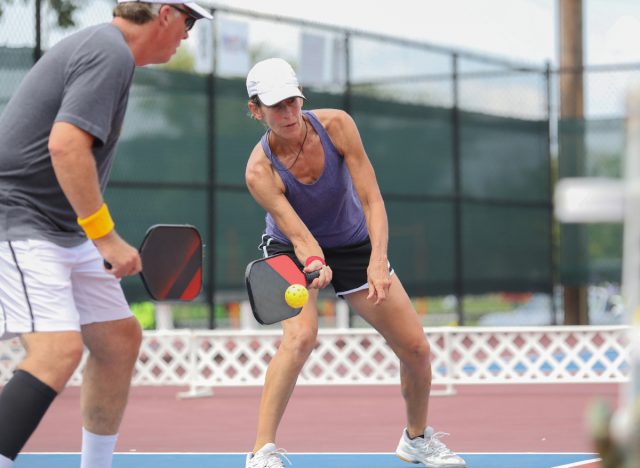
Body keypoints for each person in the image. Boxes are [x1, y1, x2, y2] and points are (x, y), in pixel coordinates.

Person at [0, 2, 212, 467]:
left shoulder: (108, 52)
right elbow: (66, 145)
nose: (188, 35)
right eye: (189, 21)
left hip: (58, 229)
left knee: (118, 339)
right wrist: (106, 237)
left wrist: (94, 235)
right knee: (56, 352)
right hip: (18, 219)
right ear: (163, 14)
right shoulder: (108, 50)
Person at [243, 57, 466, 468]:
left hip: (354, 243)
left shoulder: (337, 126)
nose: (289, 113)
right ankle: (261, 452)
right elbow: (299, 235)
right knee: (300, 338)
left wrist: (377, 260)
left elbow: (371, 199)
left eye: (293, 101)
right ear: (256, 110)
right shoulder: (259, 171)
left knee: (416, 348)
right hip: (289, 251)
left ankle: (416, 440)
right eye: (277, 107)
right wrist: (315, 264)